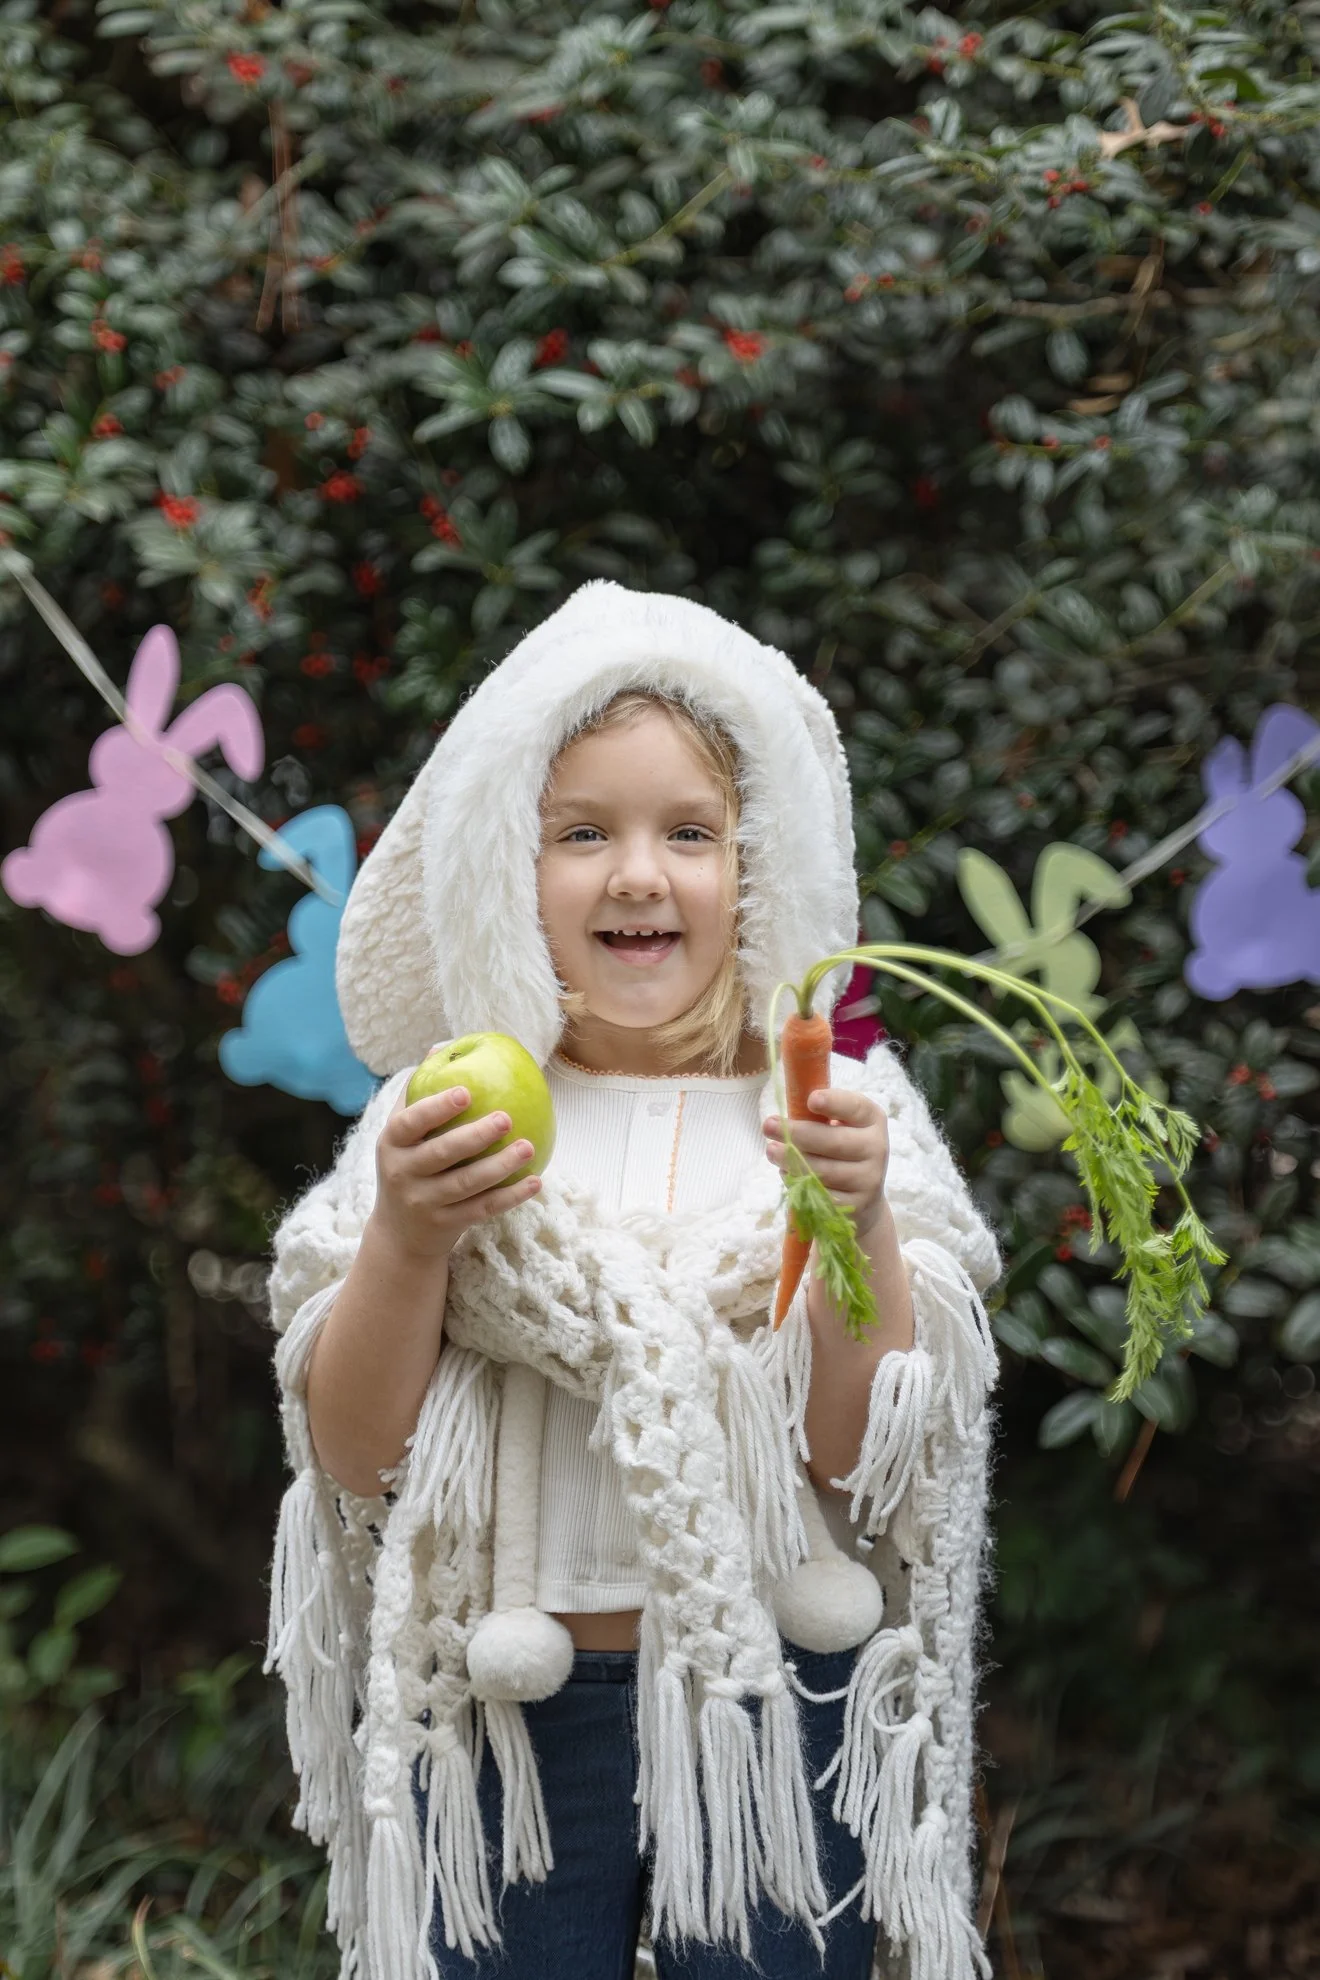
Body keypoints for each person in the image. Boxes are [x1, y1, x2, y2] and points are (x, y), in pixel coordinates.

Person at [264, 580, 1002, 1980]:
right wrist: (411, 1241)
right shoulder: (442, 1120)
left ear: (757, 866)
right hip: (512, 1719)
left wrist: (859, 1231)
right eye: (581, 832)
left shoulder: (835, 1105)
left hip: (784, 1702)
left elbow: (865, 1456)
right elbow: (358, 1455)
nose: (638, 875)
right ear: (505, 864)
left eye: (690, 833)